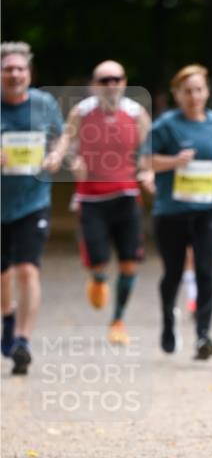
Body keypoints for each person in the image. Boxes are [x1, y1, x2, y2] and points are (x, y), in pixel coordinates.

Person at [142, 64, 212, 360]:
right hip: (171, 211)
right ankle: (169, 324)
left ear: (207, 92)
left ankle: (203, 335)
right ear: (177, 95)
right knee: (172, 273)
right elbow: (146, 162)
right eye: (187, 91)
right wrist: (174, 162)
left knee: (205, 270)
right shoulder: (165, 125)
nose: (194, 96)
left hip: (209, 209)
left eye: (198, 90)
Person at [52, 60, 151, 345]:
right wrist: (68, 159)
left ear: (124, 81)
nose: (111, 85)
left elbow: (149, 146)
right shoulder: (81, 112)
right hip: (91, 198)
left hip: (126, 196)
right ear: (94, 84)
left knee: (130, 263)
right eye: (104, 80)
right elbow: (65, 141)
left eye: (116, 79)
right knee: (98, 264)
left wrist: (147, 170)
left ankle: (117, 320)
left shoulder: (136, 113)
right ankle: (97, 279)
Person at [1, 42, 64, 374]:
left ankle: (22, 341)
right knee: (3, 275)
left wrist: (55, 155)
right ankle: (7, 316)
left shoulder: (44, 103)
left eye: (19, 69)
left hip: (33, 201)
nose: (14, 74)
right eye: (8, 69)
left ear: (29, 73)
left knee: (27, 270)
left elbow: (62, 135)